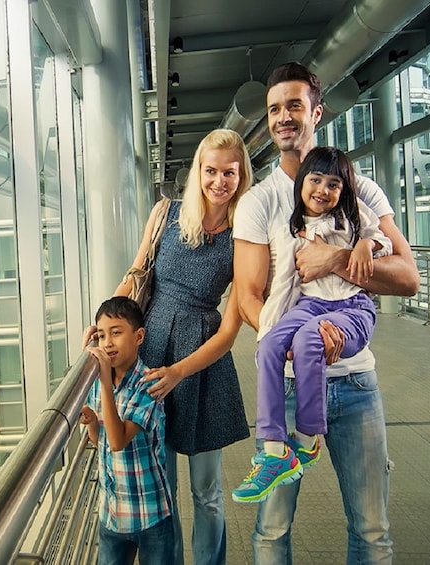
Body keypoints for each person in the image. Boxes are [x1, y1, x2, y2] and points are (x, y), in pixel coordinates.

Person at [233, 62, 420, 564]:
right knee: (271, 532)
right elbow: (249, 296)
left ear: (317, 112)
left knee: (372, 529)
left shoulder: (361, 191)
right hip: (292, 384)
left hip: (356, 385)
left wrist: (337, 259)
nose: (283, 117)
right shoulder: (258, 202)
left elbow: (408, 277)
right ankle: (277, 452)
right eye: (274, 109)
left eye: (294, 105)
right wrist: (295, 342)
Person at [84, 128, 252, 565]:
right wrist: (101, 325)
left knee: (207, 489)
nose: (219, 181)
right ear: (198, 170)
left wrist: (180, 371)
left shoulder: (245, 234)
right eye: (210, 170)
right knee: (165, 487)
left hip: (201, 364)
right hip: (152, 348)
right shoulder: (167, 214)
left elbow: (230, 329)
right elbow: (136, 274)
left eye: (229, 172)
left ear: (241, 175)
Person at [232, 146, 392, 503]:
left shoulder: (352, 215)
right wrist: (273, 326)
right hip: (311, 304)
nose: (323, 190)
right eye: (315, 180)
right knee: (271, 343)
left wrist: (364, 247)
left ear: (343, 190)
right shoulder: (295, 224)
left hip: (351, 307)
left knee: (308, 340)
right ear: (302, 182)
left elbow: (382, 239)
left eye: (333, 184)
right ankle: (275, 449)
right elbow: (282, 284)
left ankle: (306, 438)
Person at [80, 296, 175, 565]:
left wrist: (103, 380)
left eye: (117, 333)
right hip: (112, 513)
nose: (107, 342)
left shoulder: (149, 384)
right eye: (100, 335)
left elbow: (119, 440)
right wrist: (90, 421)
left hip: (151, 513)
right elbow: (102, 441)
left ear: (139, 336)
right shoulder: (100, 383)